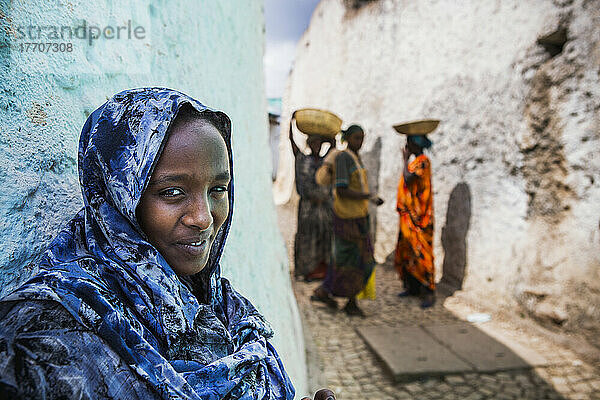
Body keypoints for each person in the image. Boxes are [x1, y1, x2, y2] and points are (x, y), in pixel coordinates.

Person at [0, 88, 297, 399]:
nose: (204, 218)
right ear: (118, 198)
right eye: (172, 192)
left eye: (218, 189)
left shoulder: (224, 307)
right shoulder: (42, 339)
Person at [311, 125, 383, 317]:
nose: (360, 142)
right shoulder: (344, 157)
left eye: (362, 138)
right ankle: (348, 301)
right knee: (352, 261)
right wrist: (369, 196)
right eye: (357, 138)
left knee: (351, 260)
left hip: (358, 217)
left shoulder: (355, 158)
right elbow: (341, 188)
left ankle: (326, 292)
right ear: (348, 138)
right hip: (346, 219)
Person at [289, 112, 335, 282]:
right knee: (307, 236)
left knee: (324, 236)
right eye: (313, 142)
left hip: (324, 207)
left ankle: (320, 271)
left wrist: (330, 139)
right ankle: (305, 270)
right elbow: (291, 142)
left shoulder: (326, 160)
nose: (316, 146)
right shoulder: (302, 158)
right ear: (309, 144)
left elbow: (334, 146)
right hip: (308, 207)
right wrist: (291, 123)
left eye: (319, 143)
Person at [395, 134, 435, 308]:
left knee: (421, 253)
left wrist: (404, 160)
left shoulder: (423, 161)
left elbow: (408, 177)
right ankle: (412, 287)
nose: (406, 146)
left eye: (409, 143)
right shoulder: (416, 162)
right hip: (408, 217)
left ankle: (428, 290)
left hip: (420, 219)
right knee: (408, 251)